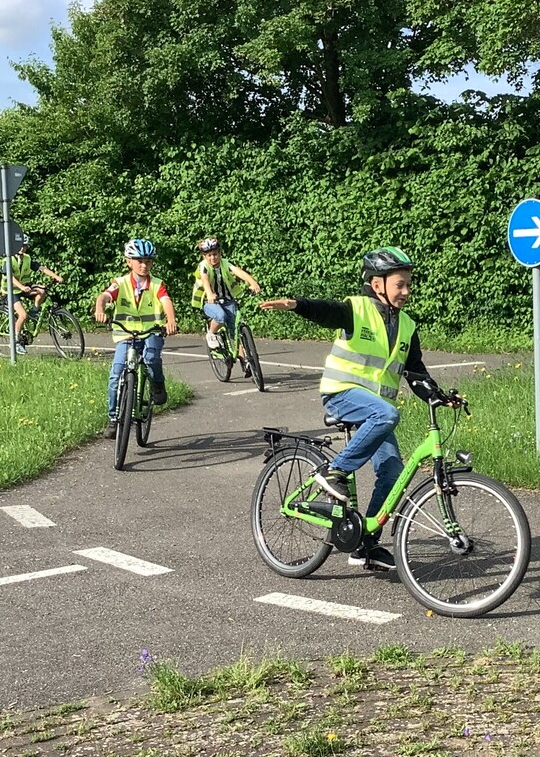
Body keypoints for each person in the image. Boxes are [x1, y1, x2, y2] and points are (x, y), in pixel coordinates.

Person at [259, 246, 448, 573]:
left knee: (393, 472)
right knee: (388, 415)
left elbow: (415, 373)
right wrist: (297, 305)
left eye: (408, 285)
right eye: (399, 284)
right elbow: (327, 310)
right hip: (342, 394)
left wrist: (439, 395)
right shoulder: (356, 309)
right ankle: (333, 472)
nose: (406, 291)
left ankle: (366, 546)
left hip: (375, 410)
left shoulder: (406, 326)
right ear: (378, 285)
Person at [93, 238, 178, 437]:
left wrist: (170, 321)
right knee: (116, 374)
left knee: (151, 359)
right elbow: (105, 296)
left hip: (152, 331)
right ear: (128, 261)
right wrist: (100, 308)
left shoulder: (157, 284)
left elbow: (166, 301)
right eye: (139, 260)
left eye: (148, 261)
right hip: (126, 334)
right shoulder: (120, 283)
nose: (144, 265)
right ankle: (114, 419)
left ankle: (157, 384)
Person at [191, 235, 262, 365]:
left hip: (228, 299)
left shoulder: (225, 263)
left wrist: (253, 282)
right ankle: (211, 333)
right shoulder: (203, 266)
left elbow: (238, 272)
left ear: (219, 253)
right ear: (204, 257)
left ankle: (244, 360)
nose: (213, 258)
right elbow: (205, 279)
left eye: (215, 254)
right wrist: (210, 293)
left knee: (234, 330)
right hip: (209, 301)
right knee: (220, 316)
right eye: (209, 255)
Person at [3, 234, 64, 355]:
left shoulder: (27, 258)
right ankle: (14, 342)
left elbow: (41, 268)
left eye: (25, 246)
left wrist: (56, 276)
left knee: (42, 291)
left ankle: (35, 311)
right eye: (20, 246)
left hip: (24, 287)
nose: (22, 248)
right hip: (10, 291)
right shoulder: (8, 260)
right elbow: (9, 277)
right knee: (23, 315)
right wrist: (21, 287)